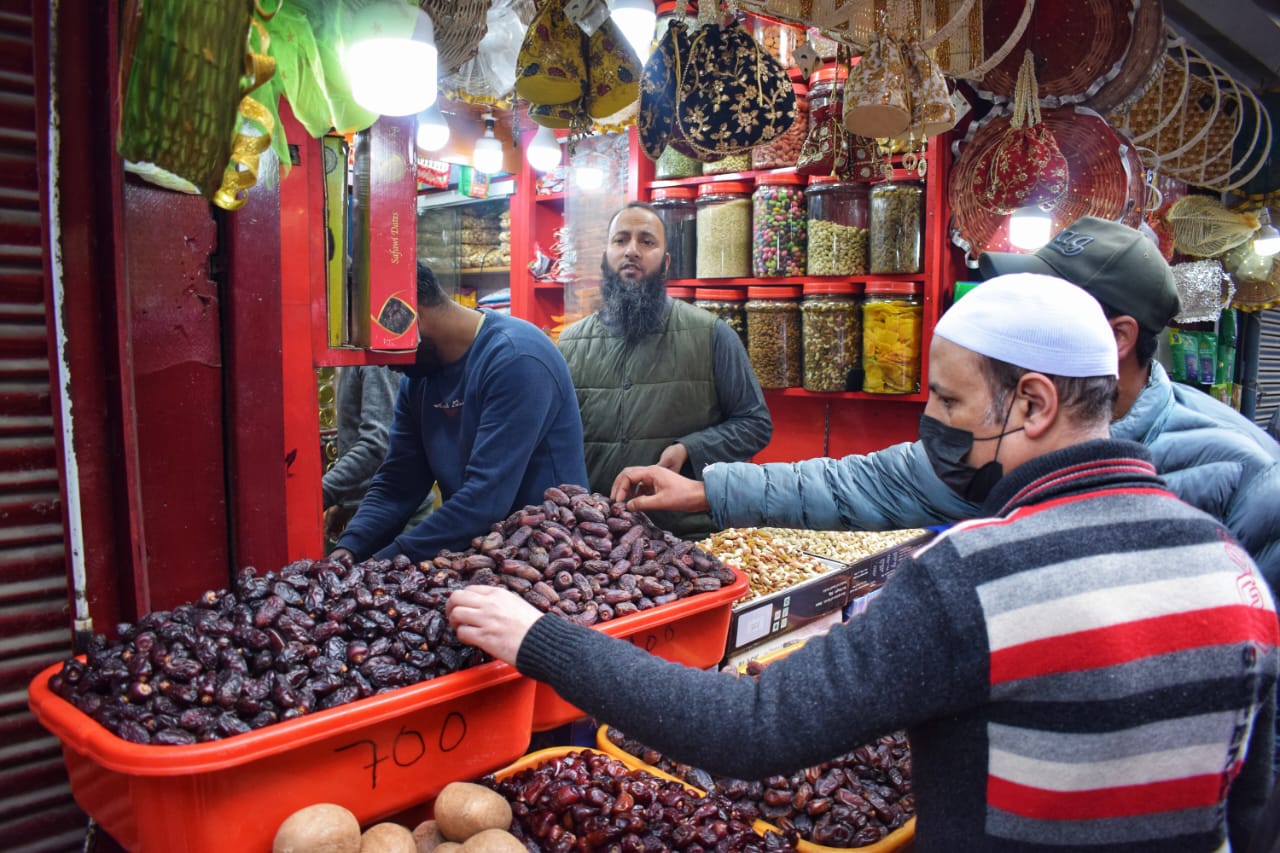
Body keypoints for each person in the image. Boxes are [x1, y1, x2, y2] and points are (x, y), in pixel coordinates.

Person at [449, 274, 1279, 852]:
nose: (934, 424)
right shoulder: (1230, 567)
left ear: (1032, 403)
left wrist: (541, 638)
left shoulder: (974, 577)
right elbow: (1250, 807)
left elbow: (752, 727)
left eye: (950, 402)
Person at [609, 216, 1280, 594]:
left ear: (1113, 338)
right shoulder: (995, 440)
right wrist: (704, 490)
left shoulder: (1240, 477)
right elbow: (858, 482)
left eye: (1036, 308)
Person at [329, 263, 587, 564]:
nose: (377, 361)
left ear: (409, 315)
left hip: (550, 561)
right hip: (481, 557)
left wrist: (382, 564)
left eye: (379, 345)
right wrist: (348, 551)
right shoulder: (419, 378)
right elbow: (398, 482)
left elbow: (484, 500)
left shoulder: (517, 359)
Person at [556, 202, 771, 538]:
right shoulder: (569, 344)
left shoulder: (711, 334)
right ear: (605, 257)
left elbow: (755, 425)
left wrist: (690, 448)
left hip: (689, 540)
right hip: (595, 541)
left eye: (647, 241)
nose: (632, 251)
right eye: (620, 240)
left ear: (666, 262)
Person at [320, 364, 434, 547]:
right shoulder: (357, 356)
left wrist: (320, 494)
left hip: (394, 514)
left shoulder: (377, 364)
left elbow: (378, 445)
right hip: (368, 510)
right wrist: (345, 501)